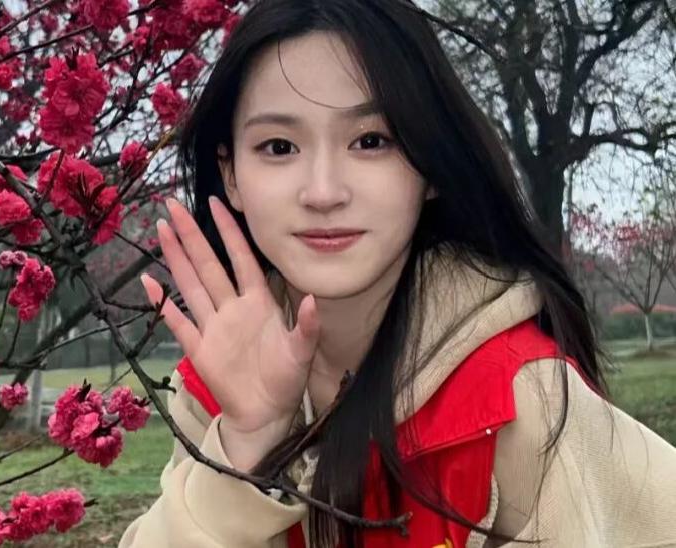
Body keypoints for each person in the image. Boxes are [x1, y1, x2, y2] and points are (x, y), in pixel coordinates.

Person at [118, 1, 676, 547]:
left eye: (371, 141)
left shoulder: (521, 398)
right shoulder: (220, 385)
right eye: (279, 146)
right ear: (231, 175)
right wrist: (245, 448)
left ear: (430, 166)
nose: (323, 192)